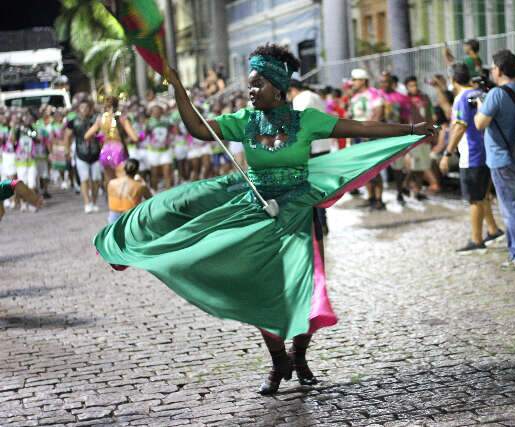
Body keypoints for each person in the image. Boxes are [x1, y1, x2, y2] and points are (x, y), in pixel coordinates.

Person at [94, 43, 435, 396]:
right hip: (255, 212)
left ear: (279, 88)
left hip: (299, 213)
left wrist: (411, 129)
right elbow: (197, 127)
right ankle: (278, 363)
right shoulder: (244, 121)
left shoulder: (308, 121)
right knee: (260, 290)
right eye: (249, 86)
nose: (250, 91)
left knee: (303, 289)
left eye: (257, 85)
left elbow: (362, 126)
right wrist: (179, 88)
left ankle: (299, 357)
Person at [474, 49, 515, 271]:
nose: (491, 71)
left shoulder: (496, 95)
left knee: (512, 210)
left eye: (493, 67)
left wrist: (480, 106)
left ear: (499, 70)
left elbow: (480, 123)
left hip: (502, 158)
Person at [440, 64, 503, 254]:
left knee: (474, 199)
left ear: (452, 80)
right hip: (486, 150)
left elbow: (459, 127)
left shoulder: (461, 98)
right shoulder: (478, 93)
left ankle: (476, 239)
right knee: (482, 194)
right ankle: (493, 230)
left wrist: (447, 153)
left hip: (471, 154)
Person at [288, 79, 334, 235]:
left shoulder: (301, 99)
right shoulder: (314, 96)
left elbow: (301, 125)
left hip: (312, 149)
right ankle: (321, 223)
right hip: (323, 146)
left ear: (292, 90)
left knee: (312, 189)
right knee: (319, 188)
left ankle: (319, 224)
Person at [348, 68, 384, 208]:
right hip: (357, 135)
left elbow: (378, 113)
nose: (353, 83)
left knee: (374, 167)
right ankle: (370, 197)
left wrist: (369, 132)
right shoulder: (354, 97)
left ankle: (379, 198)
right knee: (363, 168)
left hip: (370, 136)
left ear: (363, 80)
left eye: (355, 80)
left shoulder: (373, 93)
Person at [378, 71, 414, 206]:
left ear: (392, 83)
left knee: (398, 167)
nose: (383, 84)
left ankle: (399, 192)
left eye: (386, 81)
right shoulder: (376, 96)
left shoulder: (401, 98)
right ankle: (377, 198)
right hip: (378, 135)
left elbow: (406, 117)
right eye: (381, 81)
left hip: (396, 136)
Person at [85, 96, 138, 186]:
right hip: (119, 151)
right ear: (117, 105)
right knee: (122, 180)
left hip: (105, 151)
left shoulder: (100, 120)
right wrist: (127, 139)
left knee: (110, 182)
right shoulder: (122, 118)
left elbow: (86, 136)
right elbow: (135, 138)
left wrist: (99, 138)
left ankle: (111, 200)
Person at [66, 100, 101, 214]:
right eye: (82, 108)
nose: (84, 110)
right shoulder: (73, 121)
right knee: (84, 179)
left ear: (90, 109)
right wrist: (67, 151)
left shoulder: (96, 120)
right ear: (78, 109)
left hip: (96, 153)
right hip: (81, 154)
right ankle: (87, 203)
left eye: (87, 107)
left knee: (96, 180)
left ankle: (94, 203)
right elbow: (67, 136)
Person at [107, 158, 152, 224]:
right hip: (130, 217)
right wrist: (143, 182)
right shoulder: (140, 186)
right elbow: (150, 199)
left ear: (124, 169)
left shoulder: (111, 183)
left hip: (113, 216)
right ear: (137, 171)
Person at [145, 102, 174, 190]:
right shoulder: (148, 122)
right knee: (154, 174)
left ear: (161, 112)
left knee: (167, 173)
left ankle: (168, 194)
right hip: (153, 151)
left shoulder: (167, 121)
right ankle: (154, 192)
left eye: (158, 111)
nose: (157, 112)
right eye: (155, 111)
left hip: (165, 150)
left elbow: (173, 131)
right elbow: (144, 134)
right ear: (151, 112)